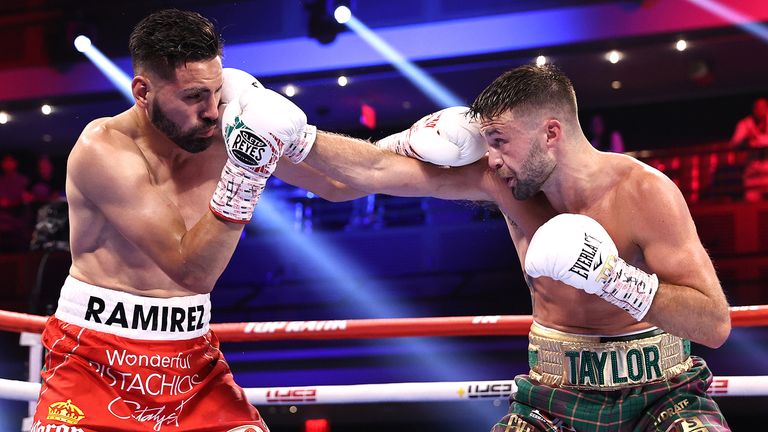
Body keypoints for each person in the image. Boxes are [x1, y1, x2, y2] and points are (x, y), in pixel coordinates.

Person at [300, 64, 731, 431]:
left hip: (661, 394)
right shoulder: (503, 184)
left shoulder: (644, 192)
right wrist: (291, 138)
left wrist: (611, 278)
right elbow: (362, 175)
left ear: (550, 133)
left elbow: (713, 325)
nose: (489, 158)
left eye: (500, 141)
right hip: (551, 401)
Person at [29, 9, 366, 432]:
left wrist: (431, 155)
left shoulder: (224, 127)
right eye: (192, 97)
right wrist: (246, 170)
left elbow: (339, 183)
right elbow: (193, 270)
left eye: (214, 92)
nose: (211, 111)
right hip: (93, 362)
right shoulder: (103, 148)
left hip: (193, 360)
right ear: (143, 91)